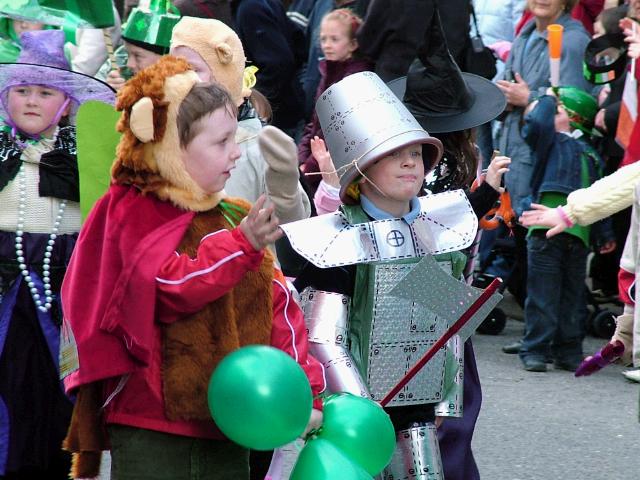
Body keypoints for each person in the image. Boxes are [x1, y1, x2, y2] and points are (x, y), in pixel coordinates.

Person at [60, 56, 325, 480]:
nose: (236, 151)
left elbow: (279, 307)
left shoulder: (235, 216)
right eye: (220, 142)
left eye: (235, 138)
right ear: (171, 149)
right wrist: (241, 248)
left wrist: (305, 392)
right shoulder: (133, 212)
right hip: (153, 427)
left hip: (232, 423)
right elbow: (165, 286)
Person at [280, 69, 500, 479]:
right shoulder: (338, 244)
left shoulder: (434, 232)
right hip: (358, 415)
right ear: (361, 169)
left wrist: (442, 402)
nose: (408, 162)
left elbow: (446, 328)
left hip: (419, 416)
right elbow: (325, 338)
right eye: (391, 154)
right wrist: (360, 408)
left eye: (416, 154)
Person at [0, 29, 115, 478]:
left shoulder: (84, 160)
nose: (31, 100)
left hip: (63, 296)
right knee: (10, 384)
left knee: (61, 387)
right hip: (5, 294)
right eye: (22, 90)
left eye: (45, 92)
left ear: (66, 105)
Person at [169, 16, 311, 225]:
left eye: (192, 69)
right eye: (173, 67)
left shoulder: (257, 146)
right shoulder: (166, 138)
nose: (180, 77)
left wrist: (284, 186)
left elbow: (293, 224)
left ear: (222, 77)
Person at [517, 87, 615, 373]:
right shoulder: (548, 142)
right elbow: (537, 122)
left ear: (573, 117)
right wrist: (549, 97)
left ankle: (568, 349)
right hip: (544, 233)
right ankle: (535, 348)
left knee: (574, 297)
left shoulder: (591, 153)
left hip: (579, 232)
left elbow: (601, 196)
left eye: (557, 108)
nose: (548, 112)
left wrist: (604, 233)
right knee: (543, 295)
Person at [298, 8, 371, 195]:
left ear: (353, 44)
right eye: (323, 39)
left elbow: (341, 134)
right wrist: (301, 158)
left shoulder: (354, 79)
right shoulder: (328, 72)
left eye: (334, 39)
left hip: (335, 169)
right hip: (316, 161)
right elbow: (314, 124)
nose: (327, 45)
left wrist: (309, 167)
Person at [97, 0, 180, 91]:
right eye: (128, 54)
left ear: (166, 58)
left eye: (138, 56)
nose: (129, 64)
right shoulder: (121, 71)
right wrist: (108, 91)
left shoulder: (179, 92)